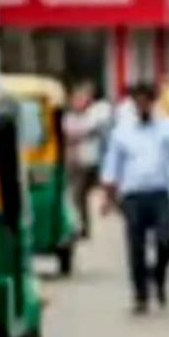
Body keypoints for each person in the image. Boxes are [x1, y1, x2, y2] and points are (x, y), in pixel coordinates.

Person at [100, 83, 169, 314]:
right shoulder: (122, 132)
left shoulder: (168, 129)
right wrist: (108, 197)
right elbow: (112, 166)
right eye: (137, 102)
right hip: (133, 197)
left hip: (160, 194)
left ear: (152, 102)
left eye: (146, 101)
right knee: (135, 247)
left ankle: (158, 278)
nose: (142, 106)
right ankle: (140, 295)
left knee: (166, 242)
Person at [62, 81, 112, 239]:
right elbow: (68, 133)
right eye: (76, 99)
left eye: (82, 98)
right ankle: (80, 225)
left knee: (80, 195)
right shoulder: (69, 117)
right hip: (73, 163)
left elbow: (85, 130)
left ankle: (83, 225)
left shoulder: (95, 113)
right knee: (76, 196)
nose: (78, 102)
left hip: (88, 162)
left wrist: (76, 135)